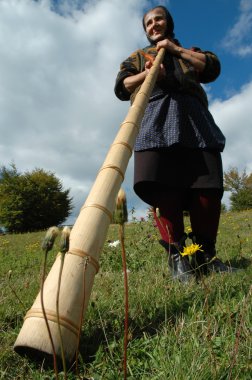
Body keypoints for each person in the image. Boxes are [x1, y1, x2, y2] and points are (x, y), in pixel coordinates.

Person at [114, 5, 234, 282]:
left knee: (207, 185)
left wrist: (175, 50)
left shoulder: (190, 52)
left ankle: (205, 257)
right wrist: (149, 73)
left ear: (168, 23)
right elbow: (122, 86)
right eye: (148, 23)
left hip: (193, 117)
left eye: (159, 20)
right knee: (162, 184)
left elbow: (212, 67)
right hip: (154, 116)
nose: (154, 25)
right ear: (145, 30)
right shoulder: (138, 57)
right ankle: (178, 259)